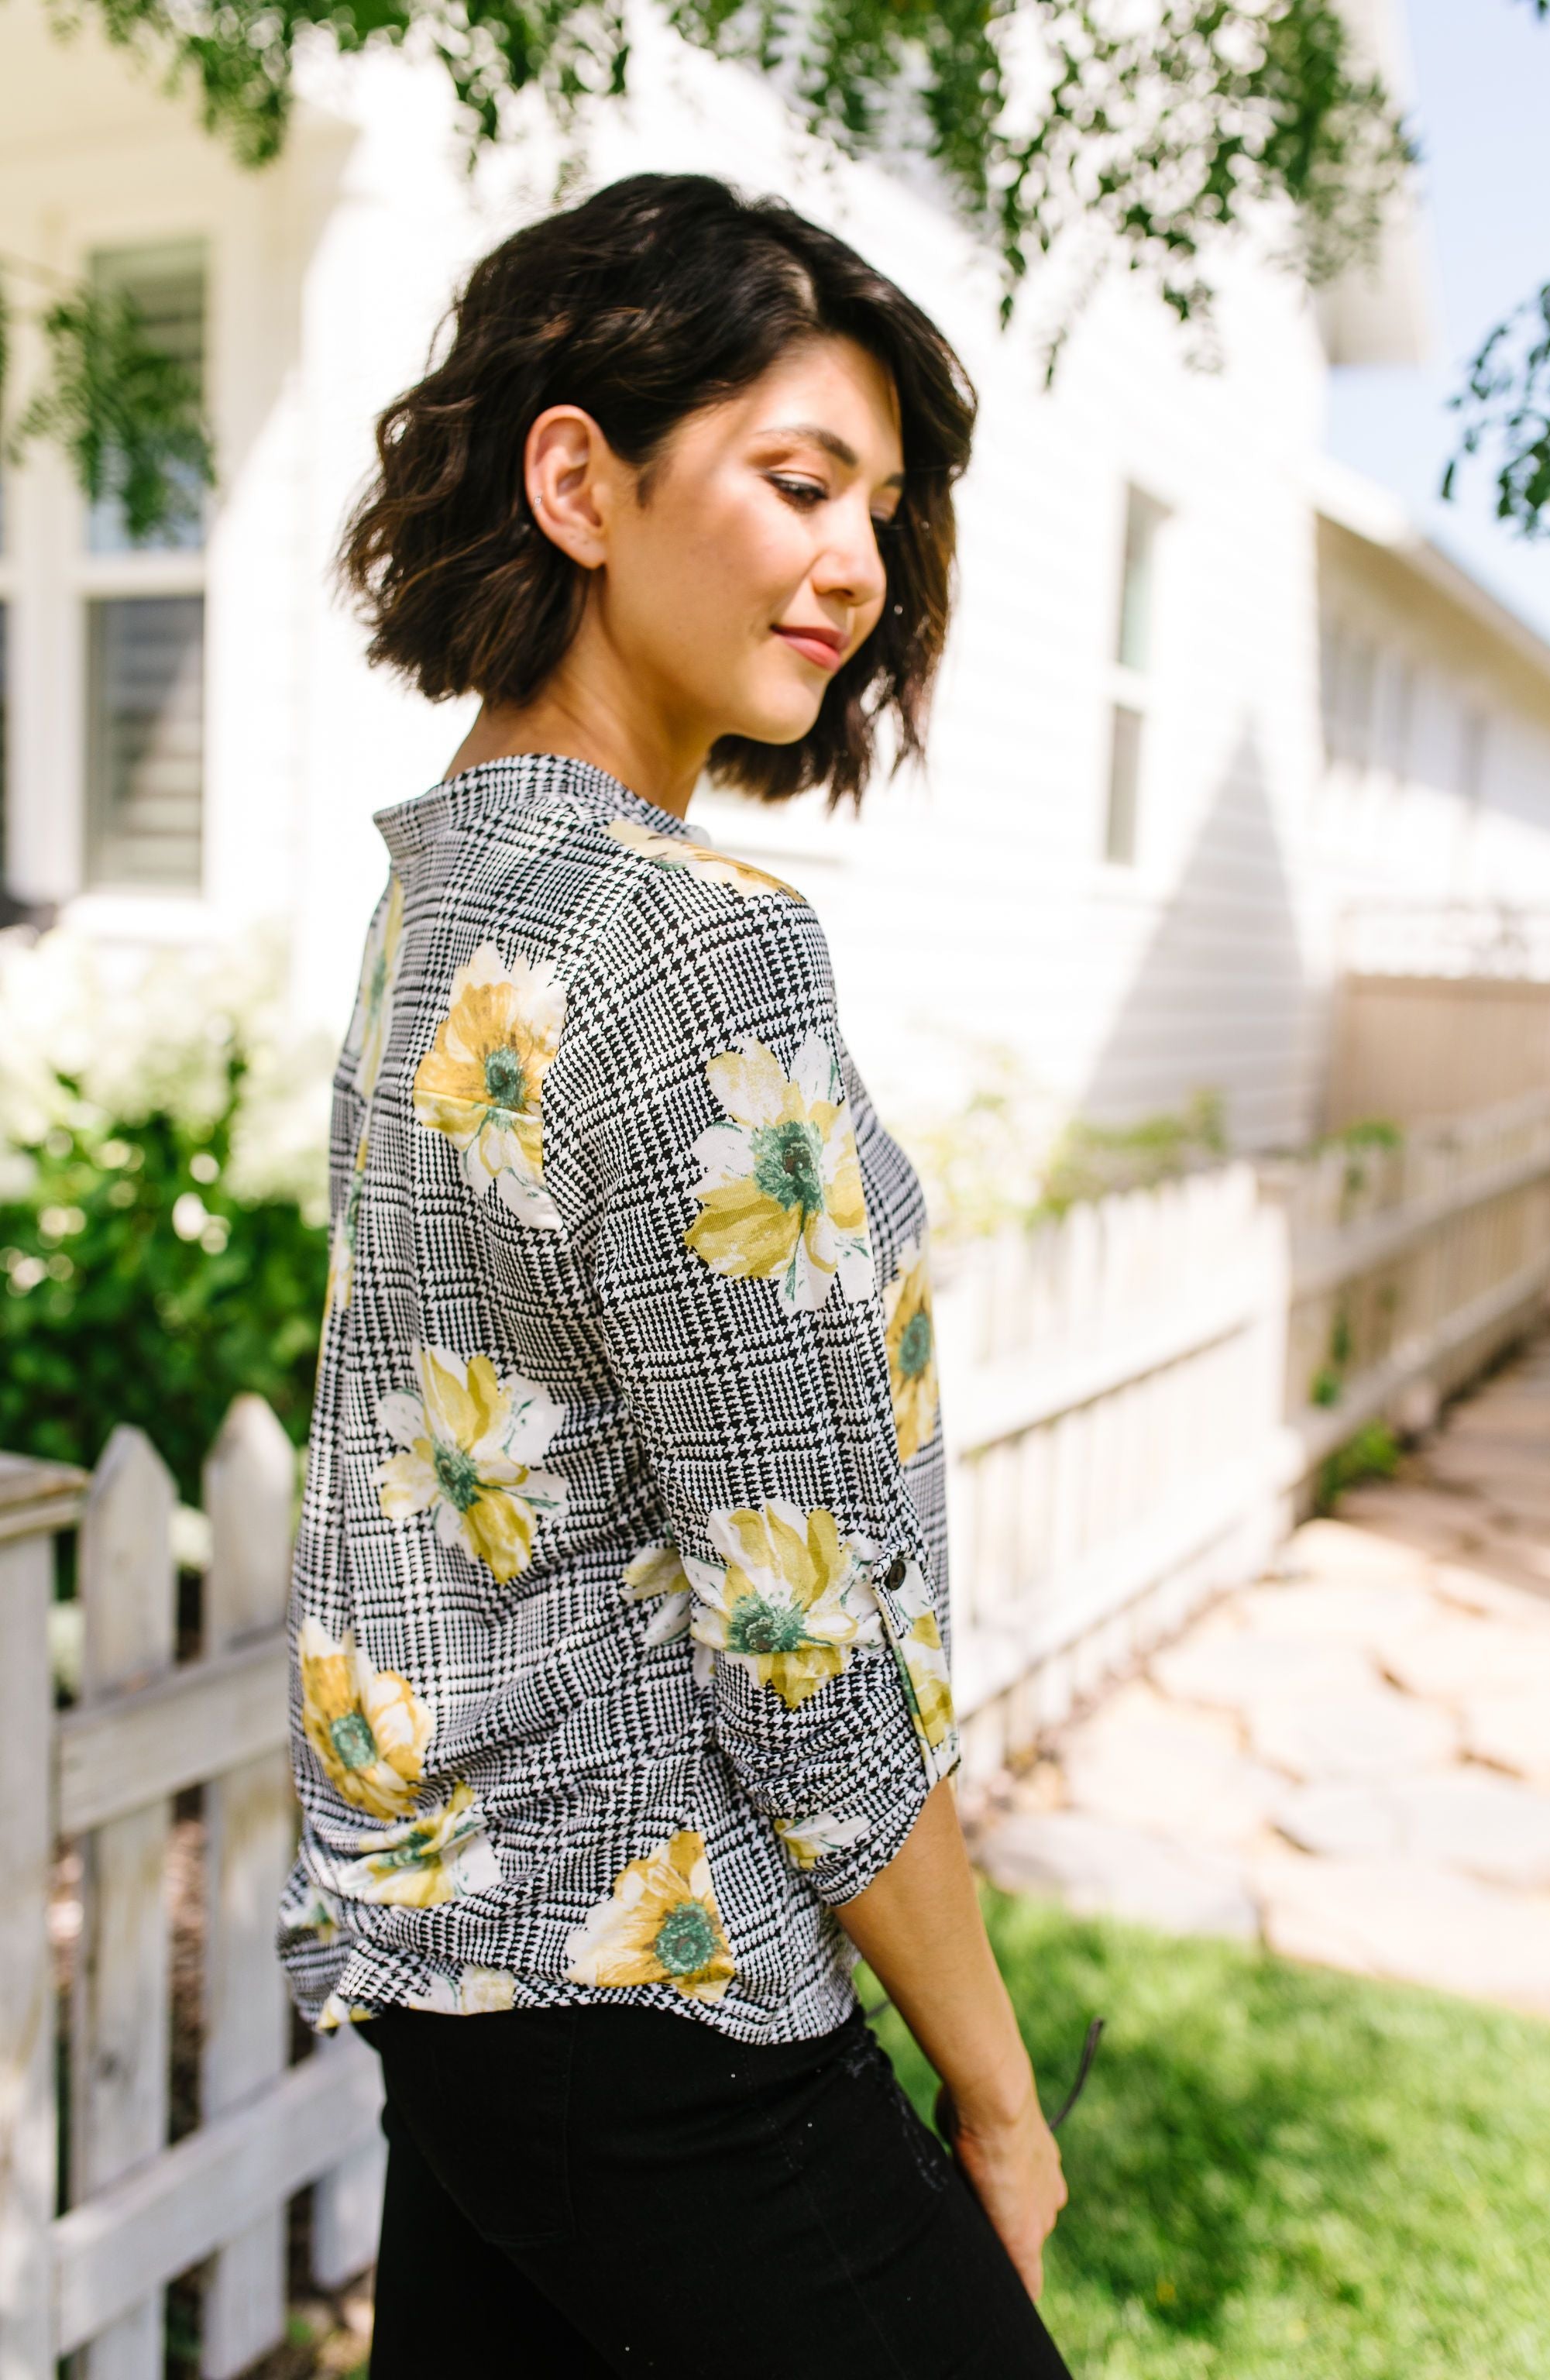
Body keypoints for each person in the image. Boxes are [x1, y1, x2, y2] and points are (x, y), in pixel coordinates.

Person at [275, 168, 1071, 2377]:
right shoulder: (693, 943)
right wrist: (999, 2108)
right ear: (579, 481)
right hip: (668, 2007)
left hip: (456, 1996)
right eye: (799, 480)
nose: (858, 563)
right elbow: (801, 1640)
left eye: (886, 510)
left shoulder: (440, 901)